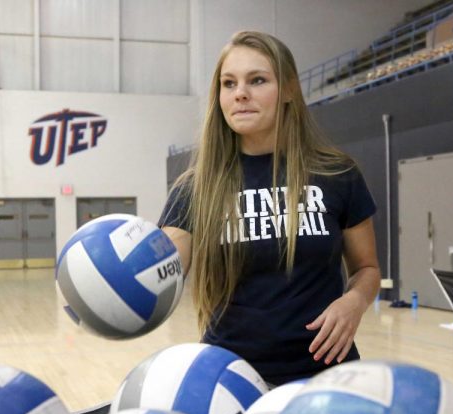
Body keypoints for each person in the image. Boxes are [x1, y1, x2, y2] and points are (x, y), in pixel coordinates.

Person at [159, 30, 381, 387]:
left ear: (290, 89)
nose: (240, 93)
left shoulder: (336, 173)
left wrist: (353, 302)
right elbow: (163, 270)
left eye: (257, 80)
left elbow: (367, 268)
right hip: (229, 380)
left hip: (325, 376)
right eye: (228, 84)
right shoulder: (195, 187)